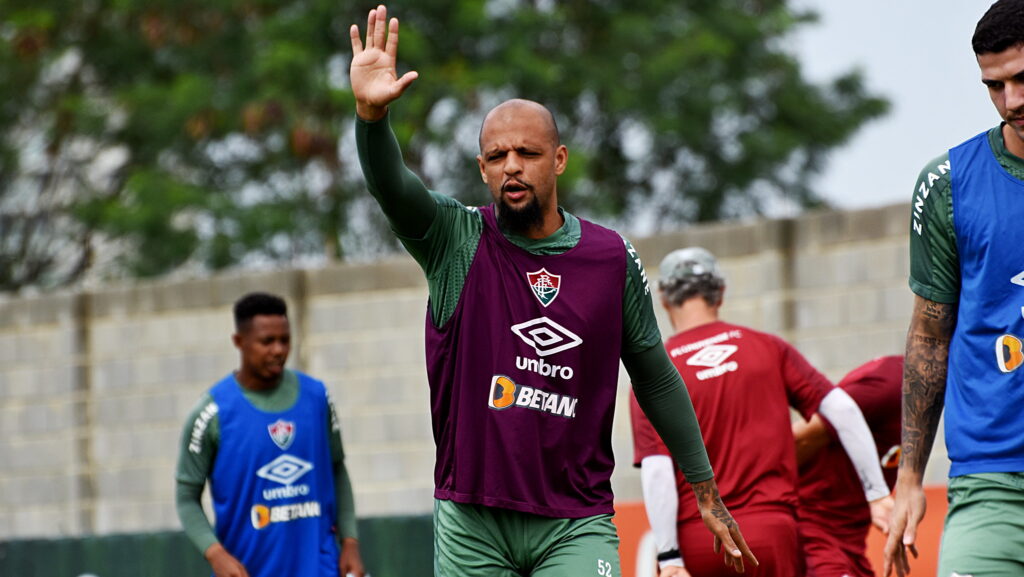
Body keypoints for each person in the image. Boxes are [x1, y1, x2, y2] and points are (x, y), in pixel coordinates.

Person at [348, 6, 757, 576]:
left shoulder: (610, 256)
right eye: (497, 157)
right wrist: (371, 118)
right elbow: (392, 187)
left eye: (528, 153)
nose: (512, 167)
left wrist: (705, 490)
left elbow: (655, 373)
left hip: (575, 521)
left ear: (558, 160)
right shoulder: (455, 239)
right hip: (472, 521)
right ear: (483, 169)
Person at [630, 247, 890, 577]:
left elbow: (657, 469)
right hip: (771, 535)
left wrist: (669, 557)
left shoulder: (654, 372)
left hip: (701, 540)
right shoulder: (768, 347)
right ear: (720, 293)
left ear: (665, 300)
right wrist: (877, 494)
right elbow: (843, 409)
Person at [885, 1, 1024, 575]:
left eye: (1023, 78)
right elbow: (928, 339)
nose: (1012, 101)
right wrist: (910, 479)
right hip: (992, 481)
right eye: (995, 85)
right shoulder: (948, 184)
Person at [174, 292, 364, 577]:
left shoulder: (316, 396)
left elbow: (337, 469)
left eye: (284, 340)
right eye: (267, 341)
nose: (278, 350)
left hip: (320, 567)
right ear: (239, 342)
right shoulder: (212, 411)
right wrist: (215, 554)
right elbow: (186, 496)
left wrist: (349, 542)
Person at [794, 355, 903, 577]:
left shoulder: (932, 398)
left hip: (850, 543)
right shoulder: (891, 383)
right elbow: (799, 439)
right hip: (811, 531)